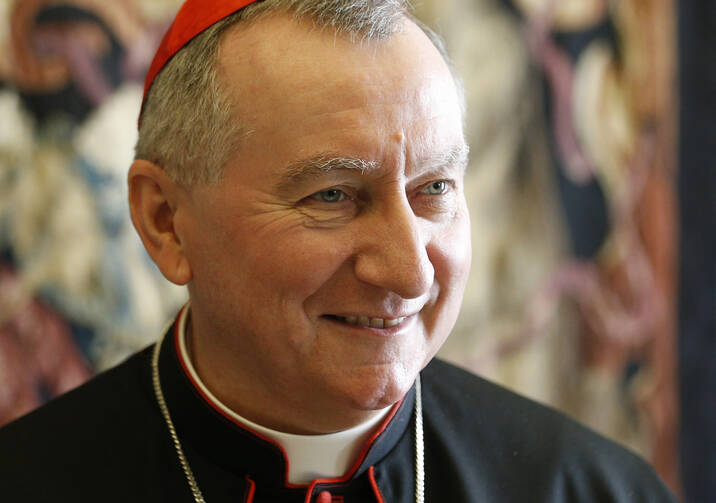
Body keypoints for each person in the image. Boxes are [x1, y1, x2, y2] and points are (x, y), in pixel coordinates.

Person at [0, 1, 676, 501]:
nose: (410, 272)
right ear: (167, 221)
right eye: (332, 195)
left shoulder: (590, 487)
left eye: (435, 187)